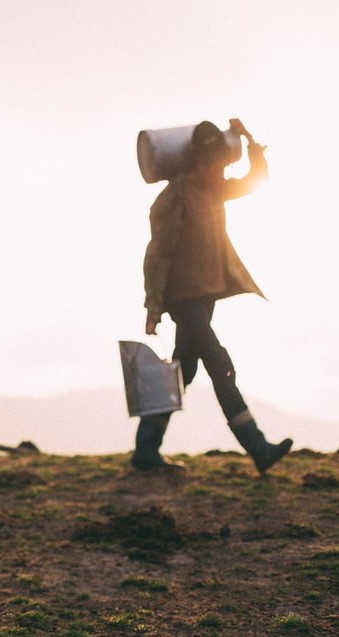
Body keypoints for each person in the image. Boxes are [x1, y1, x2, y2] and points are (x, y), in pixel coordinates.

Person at [133, 118, 292, 475]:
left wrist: (251, 142)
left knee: (183, 372)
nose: (221, 171)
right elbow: (157, 255)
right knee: (220, 363)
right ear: (198, 163)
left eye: (224, 165)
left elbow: (256, 181)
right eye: (215, 165)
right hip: (183, 299)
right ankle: (257, 446)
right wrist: (154, 307)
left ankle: (145, 450)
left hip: (205, 296)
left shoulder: (214, 188)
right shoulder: (175, 197)